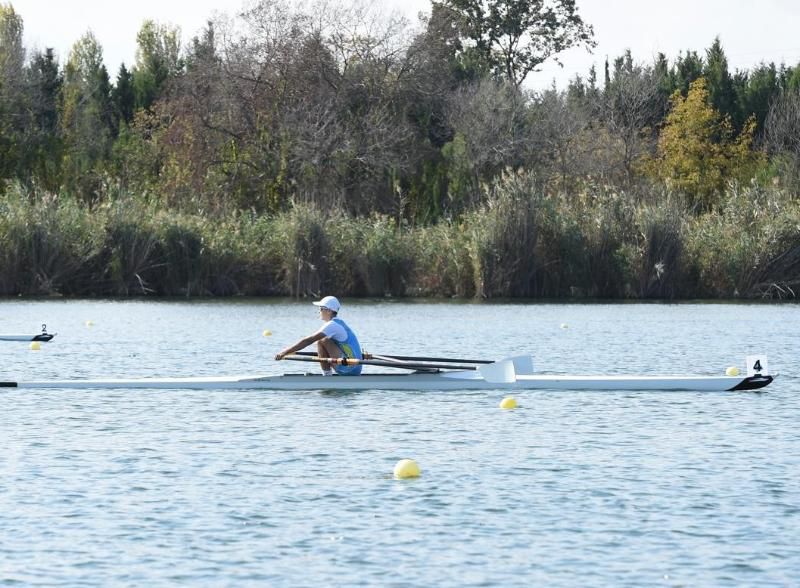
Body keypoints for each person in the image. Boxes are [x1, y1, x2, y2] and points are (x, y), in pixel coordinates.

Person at [274, 296, 363, 375]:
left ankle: (327, 375)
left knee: (321, 341)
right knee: (324, 340)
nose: (319, 311)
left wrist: (284, 352)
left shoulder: (332, 325)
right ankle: (328, 374)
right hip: (354, 367)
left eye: (321, 308)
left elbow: (308, 340)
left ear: (329, 311)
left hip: (349, 368)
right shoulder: (338, 323)